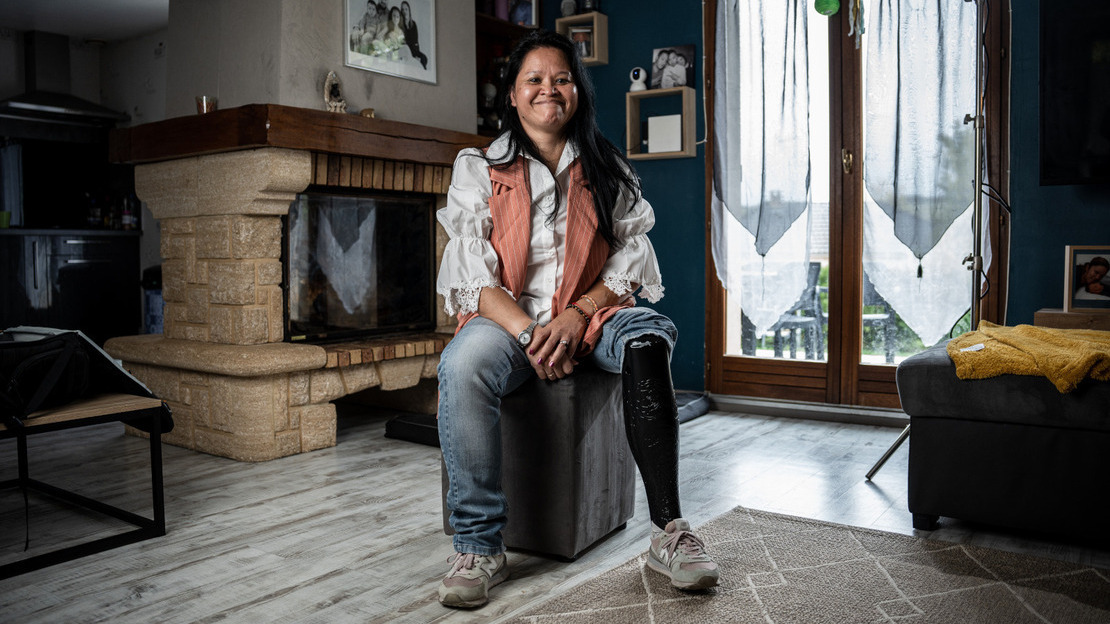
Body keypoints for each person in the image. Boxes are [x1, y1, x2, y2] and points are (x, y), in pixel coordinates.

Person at [434, 29, 720, 610]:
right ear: (512, 96)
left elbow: (630, 255)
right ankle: (479, 546)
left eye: (561, 79)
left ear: (577, 91)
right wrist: (530, 332)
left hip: (591, 314)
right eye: (533, 80)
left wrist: (577, 316)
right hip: (509, 319)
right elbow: (472, 274)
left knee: (645, 338)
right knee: (462, 364)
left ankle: (669, 533)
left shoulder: (605, 164)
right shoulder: (478, 168)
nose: (548, 90)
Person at [400, 1, 428, 69]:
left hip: (414, 49)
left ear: (409, 10)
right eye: (402, 9)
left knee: (424, 58)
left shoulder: (413, 24)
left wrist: (416, 55)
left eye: (406, 9)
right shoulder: (400, 24)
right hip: (406, 50)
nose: (404, 11)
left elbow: (415, 41)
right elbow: (403, 41)